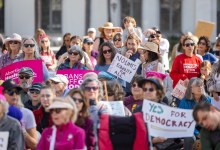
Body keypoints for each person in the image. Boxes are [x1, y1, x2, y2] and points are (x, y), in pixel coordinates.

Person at [2, 79, 38, 149]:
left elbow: (35, 145)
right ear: (2, 94)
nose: (14, 95)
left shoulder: (27, 113)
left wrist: (23, 131)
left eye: (17, 92)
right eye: (10, 92)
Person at [179, 77, 212, 150]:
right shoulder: (184, 102)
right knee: (190, 138)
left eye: (201, 85)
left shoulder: (208, 99)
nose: (200, 87)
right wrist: (197, 133)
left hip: (203, 126)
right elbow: (184, 121)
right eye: (197, 85)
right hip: (188, 127)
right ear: (191, 88)